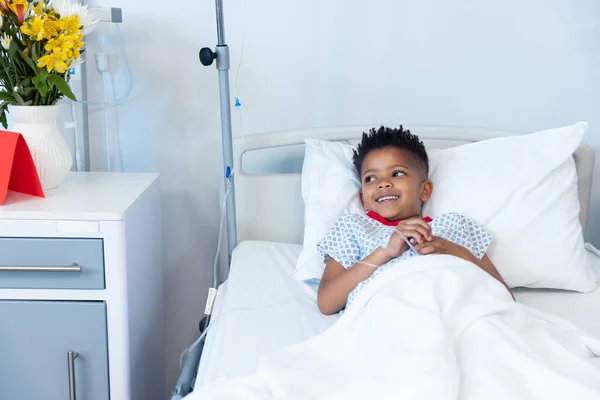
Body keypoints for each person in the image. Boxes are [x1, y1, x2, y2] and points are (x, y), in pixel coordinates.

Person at [316, 126, 513, 315]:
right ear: (362, 199)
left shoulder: (455, 226)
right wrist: (385, 252)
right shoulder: (353, 228)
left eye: (397, 173)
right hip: (386, 313)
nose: (383, 184)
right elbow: (326, 302)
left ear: (425, 190)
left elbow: (505, 298)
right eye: (370, 178)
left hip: (456, 310)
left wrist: (453, 251)